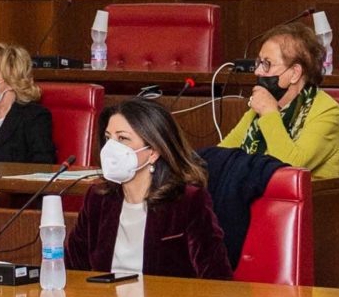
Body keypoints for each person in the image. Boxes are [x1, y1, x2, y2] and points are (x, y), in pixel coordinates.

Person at [68, 99, 230, 280]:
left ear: (153, 152)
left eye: (122, 138)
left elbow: (217, 278)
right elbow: (72, 268)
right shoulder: (98, 198)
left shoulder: (187, 200)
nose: (111, 148)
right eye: (108, 138)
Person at [219, 20, 339, 188]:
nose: (258, 71)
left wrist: (269, 113)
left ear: (294, 73)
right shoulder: (263, 106)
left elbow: (292, 167)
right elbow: (223, 153)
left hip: (310, 200)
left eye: (267, 64)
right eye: (258, 62)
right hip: (262, 196)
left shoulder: (328, 111)